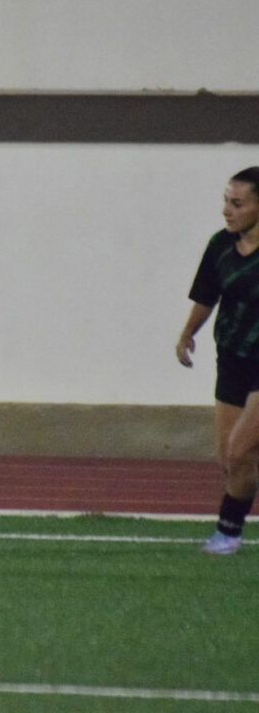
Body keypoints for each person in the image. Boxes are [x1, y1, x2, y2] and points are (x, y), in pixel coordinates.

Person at [177, 166, 259, 555]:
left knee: (242, 449)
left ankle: (227, 534)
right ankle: (231, 532)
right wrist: (187, 334)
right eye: (226, 201)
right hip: (231, 358)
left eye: (237, 203)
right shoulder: (221, 245)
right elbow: (207, 294)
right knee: (230, 460)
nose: (227, 210)